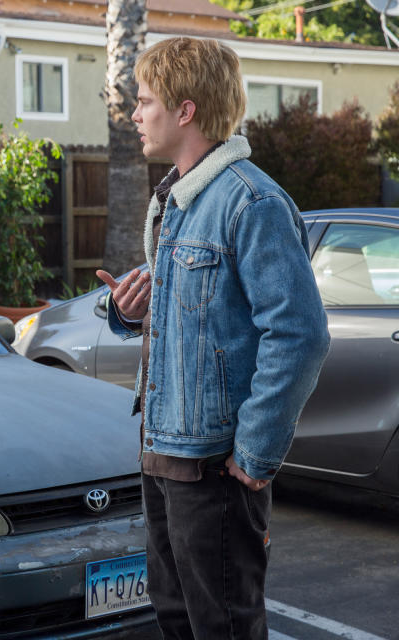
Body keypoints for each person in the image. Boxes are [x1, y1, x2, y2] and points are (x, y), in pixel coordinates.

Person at [95, 38, 329, 639]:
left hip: (214, 470)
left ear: (186, 110)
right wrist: (132, 312)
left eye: (145, 101)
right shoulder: (173, 201)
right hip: (162, 452)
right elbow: (199, 323)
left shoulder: (252, 202)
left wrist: (253, 453)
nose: (136, 114)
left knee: (222, 626)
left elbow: (300, 335)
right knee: (176, 619)